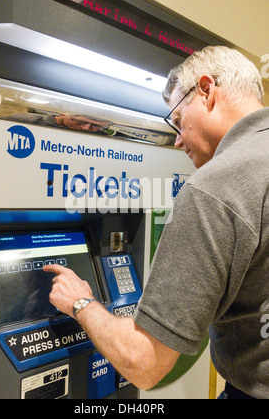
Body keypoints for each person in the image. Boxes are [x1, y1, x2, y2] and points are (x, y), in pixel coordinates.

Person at [43, 46, 269, 399]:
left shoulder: (214, 187)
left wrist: (81, 302)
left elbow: (143, 361)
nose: (177, 140)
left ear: (207, 91)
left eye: (178, 121)